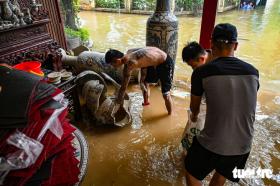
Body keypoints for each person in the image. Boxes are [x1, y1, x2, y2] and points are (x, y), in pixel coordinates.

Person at [185, 23, 259, 186]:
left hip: (213, 143)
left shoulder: (201, 72)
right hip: (244, 145)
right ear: (236, 46)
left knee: (191, 171)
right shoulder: (253, 72)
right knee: (222, 172)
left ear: (211, 44)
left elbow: (194, 109)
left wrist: (195, 117)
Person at [105, 47, 174, 115]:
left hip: (165, 62)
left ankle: (170, 115)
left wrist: (117, 104)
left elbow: (123, 88)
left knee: (166, 94)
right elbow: (144, 60)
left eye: (112, 64)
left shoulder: (130, 64)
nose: (112, 66)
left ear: (117, 60)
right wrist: (142, 79)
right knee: (144, 82)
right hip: (153, 61)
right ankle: (146, 103)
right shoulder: (129, 51)